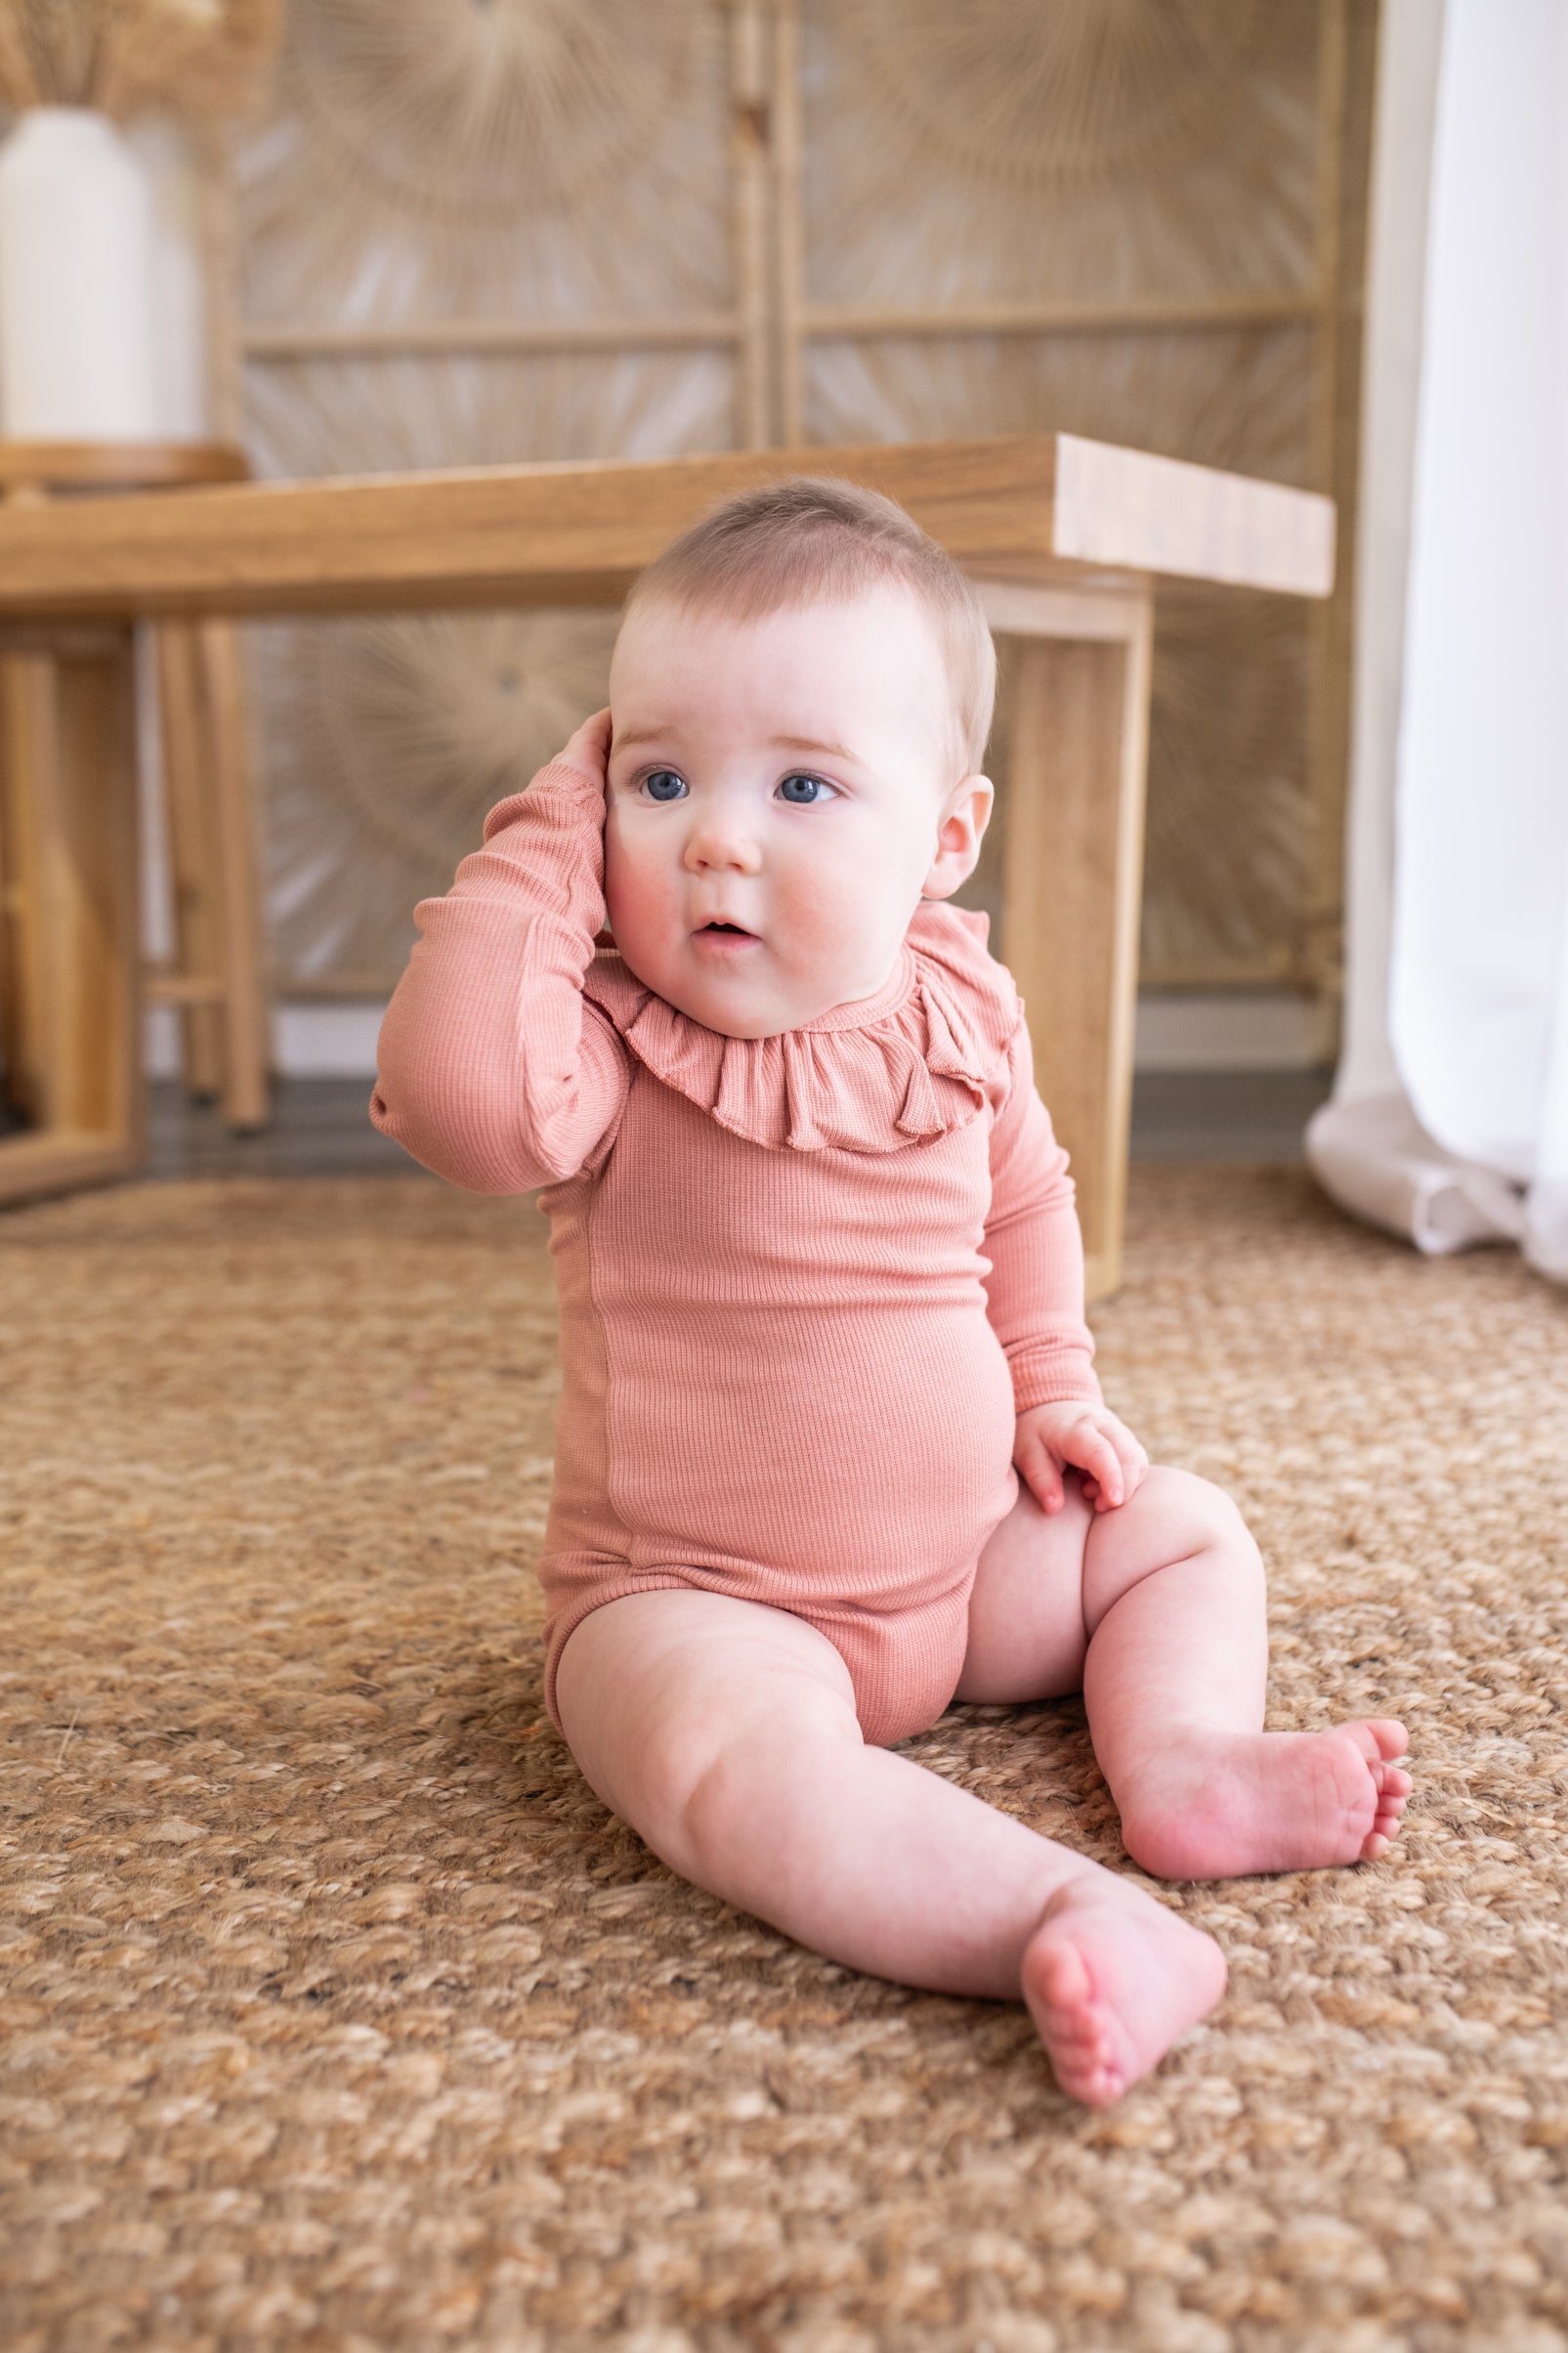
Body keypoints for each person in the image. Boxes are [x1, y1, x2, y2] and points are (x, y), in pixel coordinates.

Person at [370, 478, 1411, 2106]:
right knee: (726, 1769)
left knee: (1183, 1527)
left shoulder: (957, 1004)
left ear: (943, 838)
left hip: (961, 1566)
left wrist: (1054, 1383)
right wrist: (542, 844)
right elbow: (459, 1109)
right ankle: (1053, 1914)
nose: (716, 835)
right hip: (696, 1599)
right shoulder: (596, 1036)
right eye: (656, 776)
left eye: (801, 783)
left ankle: (1183, 1767)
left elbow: (1025, 1200)